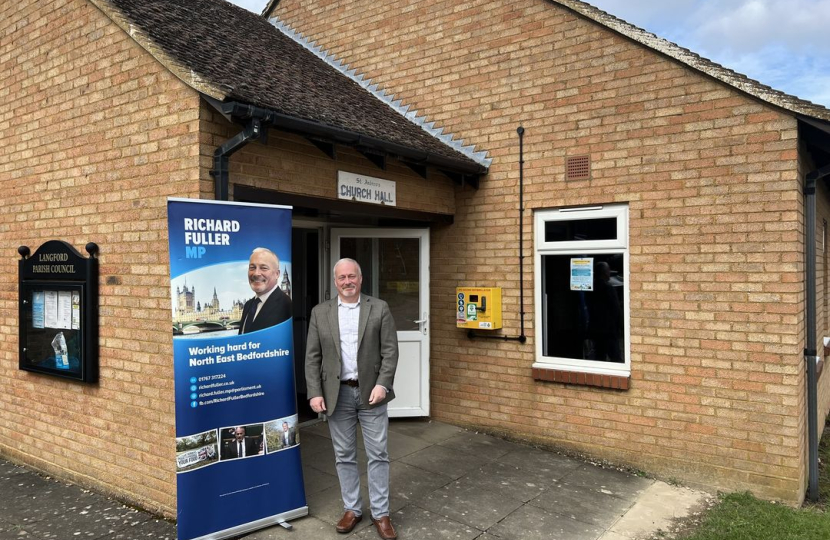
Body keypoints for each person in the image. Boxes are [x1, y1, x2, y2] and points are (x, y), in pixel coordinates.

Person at [305, 258, 399, 540]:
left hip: (372, 393)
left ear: (360, 279)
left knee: (378, 454)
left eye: (352, 277)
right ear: (335, 282)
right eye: (342, 277)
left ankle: (381, 514)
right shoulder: (320, 313)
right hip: (337, 395)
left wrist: (383, 384)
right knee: (344, 456)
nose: (347, 282)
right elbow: (312, 358)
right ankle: (352, 509)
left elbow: (390, 352)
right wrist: (314, 392)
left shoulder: (379, 308)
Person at [239, 247, 292, 334]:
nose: (256, 273)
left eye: (263, 268)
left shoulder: (286, 304)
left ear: (277, 274)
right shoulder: (248, 305)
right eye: (252, 268)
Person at [587, 261, 623, 362]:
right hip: (608, 331)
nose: (609, 273)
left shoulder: (590, 288)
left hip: (596, 330)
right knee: (616, 359)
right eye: (608, 271)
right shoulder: (608, 288)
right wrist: (620, 327)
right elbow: (616, 309)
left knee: (599, 358)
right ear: (603, 273)